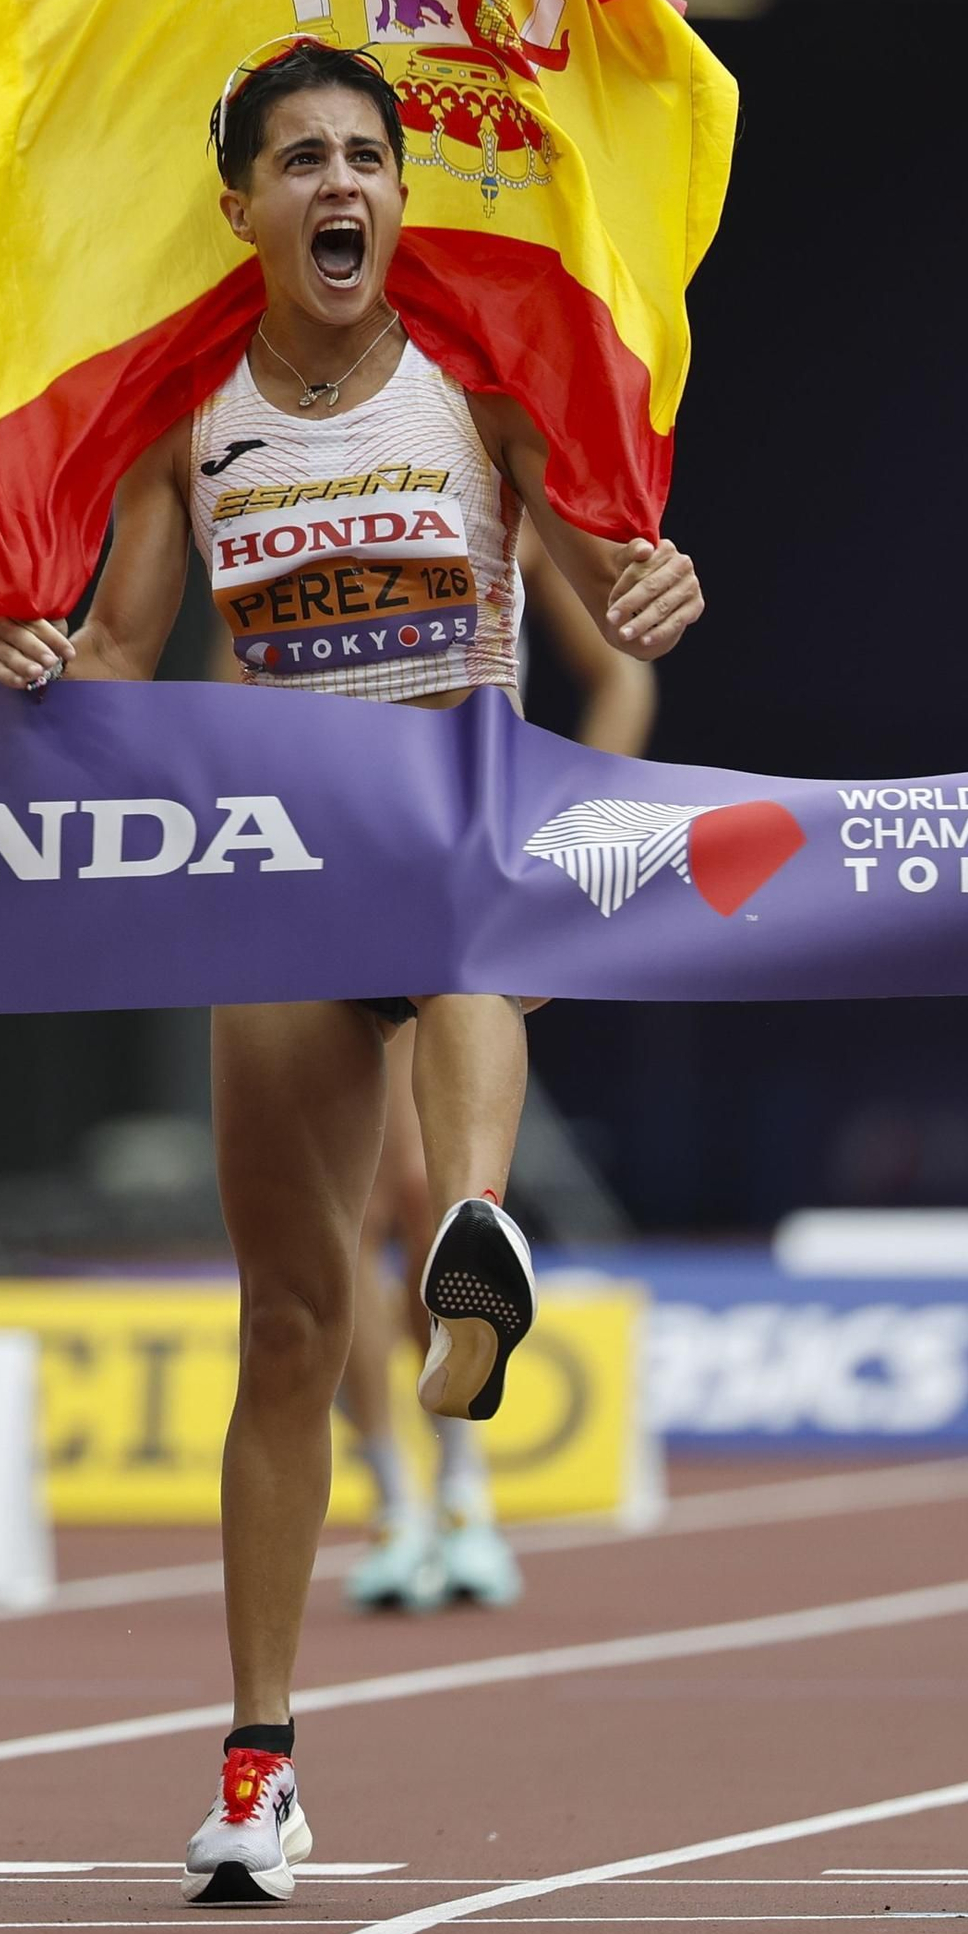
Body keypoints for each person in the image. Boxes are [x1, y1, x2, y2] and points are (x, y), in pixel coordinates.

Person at [0, 41, 704, 1906]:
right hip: (279, 872)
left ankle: (474, 1229)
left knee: (477, 939)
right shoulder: (189, 422)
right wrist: (48, 663)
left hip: (454, 836)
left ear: (400, 195)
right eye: (300, 159)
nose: (341, 185)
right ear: (243, 206)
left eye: (367, 157)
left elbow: (614, 575)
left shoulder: (482, 383)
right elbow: (126, 665)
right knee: (292, 1328)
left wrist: (654, 589)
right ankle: (258, 1767)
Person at [340, 529, 656, 1613]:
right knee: (355, 1212)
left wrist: (565, 834)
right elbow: (221, 699)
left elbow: (621, 674)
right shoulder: (272, 514)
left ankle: (463, 1491)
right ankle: (392, 1504)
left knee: (435, 1203)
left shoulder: (493, 489)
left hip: (462, 869)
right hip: (329, 860)